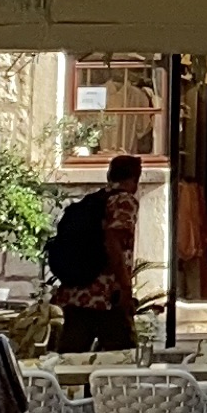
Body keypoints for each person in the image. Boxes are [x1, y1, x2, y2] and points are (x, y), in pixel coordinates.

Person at [47, 150, 144, 351]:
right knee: (123, 355)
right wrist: (125, 287)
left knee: (70, 355)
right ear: (135, 178)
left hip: (78, 291)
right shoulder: (124, 201)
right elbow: (113, 242)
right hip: (106, 293)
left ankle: (59, 382)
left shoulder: (95, 200)